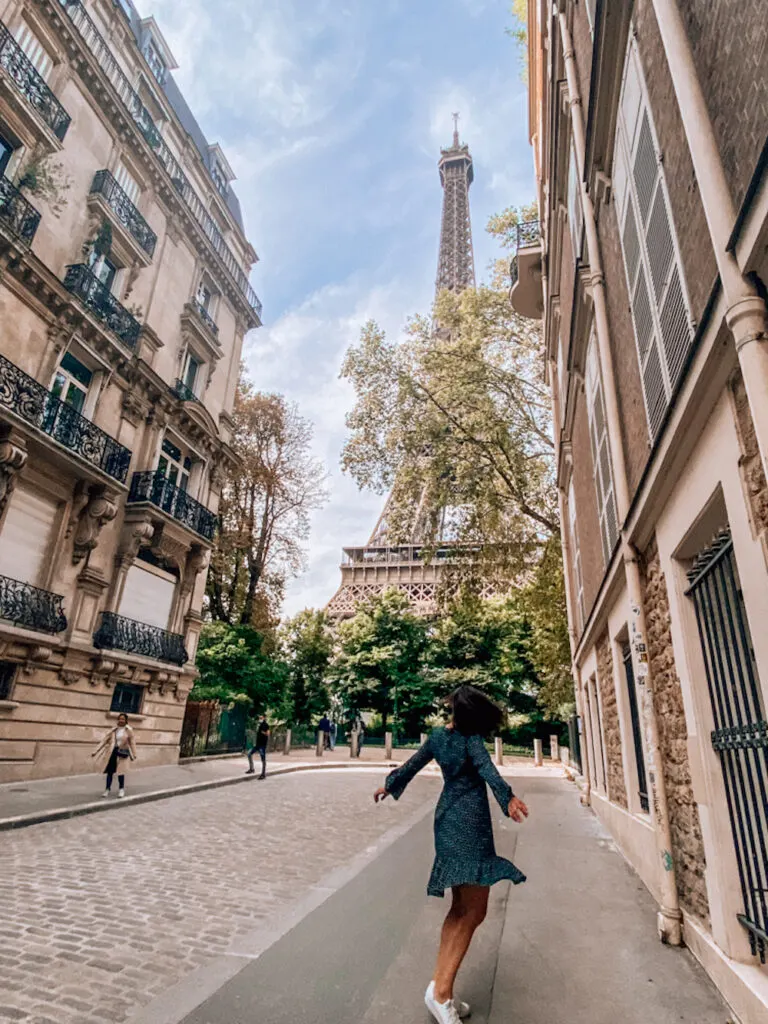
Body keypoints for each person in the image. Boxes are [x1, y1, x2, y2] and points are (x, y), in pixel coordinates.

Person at [374, 685, 529, 1024]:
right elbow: (489, 772)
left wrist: (390, 784)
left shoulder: (438, 738)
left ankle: (441, 989)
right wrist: (509, 800)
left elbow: (412, 764)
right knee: (474, 910)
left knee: (462, 908)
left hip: (446, 820)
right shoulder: (471, 741)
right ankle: (441, 993)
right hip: (469, 825)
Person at [92, 712, 137, 798]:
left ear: (126, 720)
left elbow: (132, 742)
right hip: (112, 752)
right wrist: (96, 751)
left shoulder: (128, 730)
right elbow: (104, 741)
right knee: (110, 772)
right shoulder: (114, 730)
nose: (121, 720)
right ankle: (107, 789)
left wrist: (134, 753)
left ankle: (121, 789)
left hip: (122, 752)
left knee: (121, 772)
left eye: (123, 719)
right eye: (120, 718)